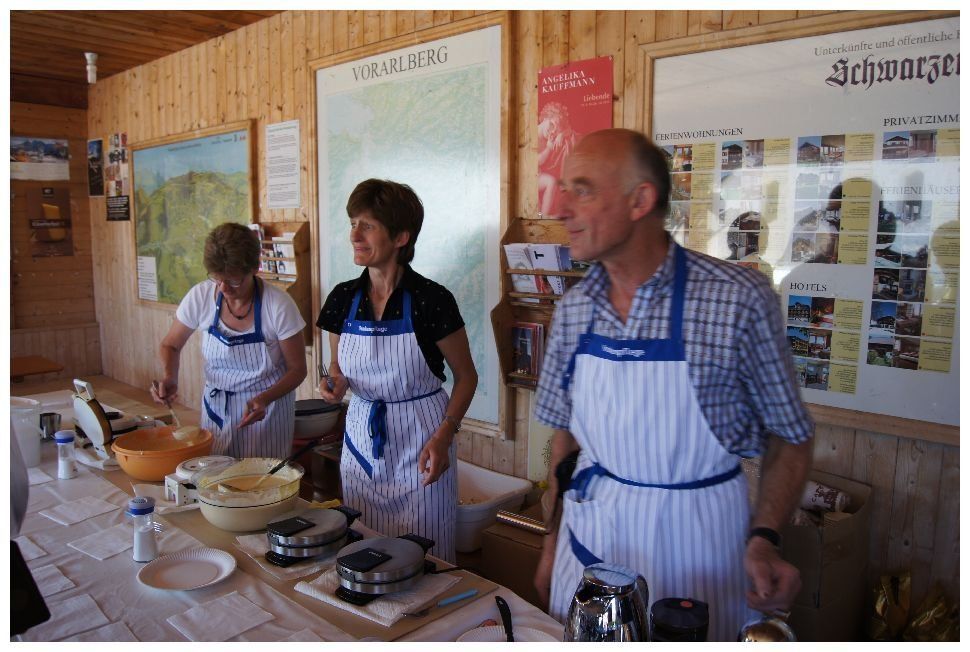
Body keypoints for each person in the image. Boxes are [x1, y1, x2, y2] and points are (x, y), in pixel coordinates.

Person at [532, 129, 814, 640]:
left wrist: (765, 539)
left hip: (698, 553)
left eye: (582, 190)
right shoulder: (573, 309)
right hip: (589, 549)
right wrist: (551, 546)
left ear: (640, 200)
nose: (561, 208)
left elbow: (791, 436)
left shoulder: (737, 299)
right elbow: (565, 441)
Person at [316, 179, 478, 563]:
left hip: (422, 439)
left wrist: (444, 435)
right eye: (353, 224)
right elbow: (337, 367)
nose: (354, 235)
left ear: (401, 237)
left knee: (425, 557)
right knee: (363, 551)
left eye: (367, 226)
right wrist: (334, 382)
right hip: (361, 438)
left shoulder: (431, 300)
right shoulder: (342, 298)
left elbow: (466, 377)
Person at [153, 222, 307, 459]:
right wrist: (170, 376)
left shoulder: (278, 305)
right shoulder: (201, 296)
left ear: (254, 268)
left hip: (267, 411)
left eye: (234, 281)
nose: (224, 288)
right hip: (216, 408)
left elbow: (297, 369)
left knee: (261, 479)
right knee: (215, 475)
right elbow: (171, 345)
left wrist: (264, 399)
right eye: (217, 279)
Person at [538, 101, 579, 218]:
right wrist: (549, 148)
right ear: (545, 118)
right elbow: (537, 161)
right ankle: (541, 215)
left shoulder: (549, 133)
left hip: (539, 175)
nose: (553, 131)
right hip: (529, 177)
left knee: (551, 181)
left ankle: (544, 216)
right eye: (552, 125)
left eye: (556, 129)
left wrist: (561, 134)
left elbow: (569, 130)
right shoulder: (534, 134)